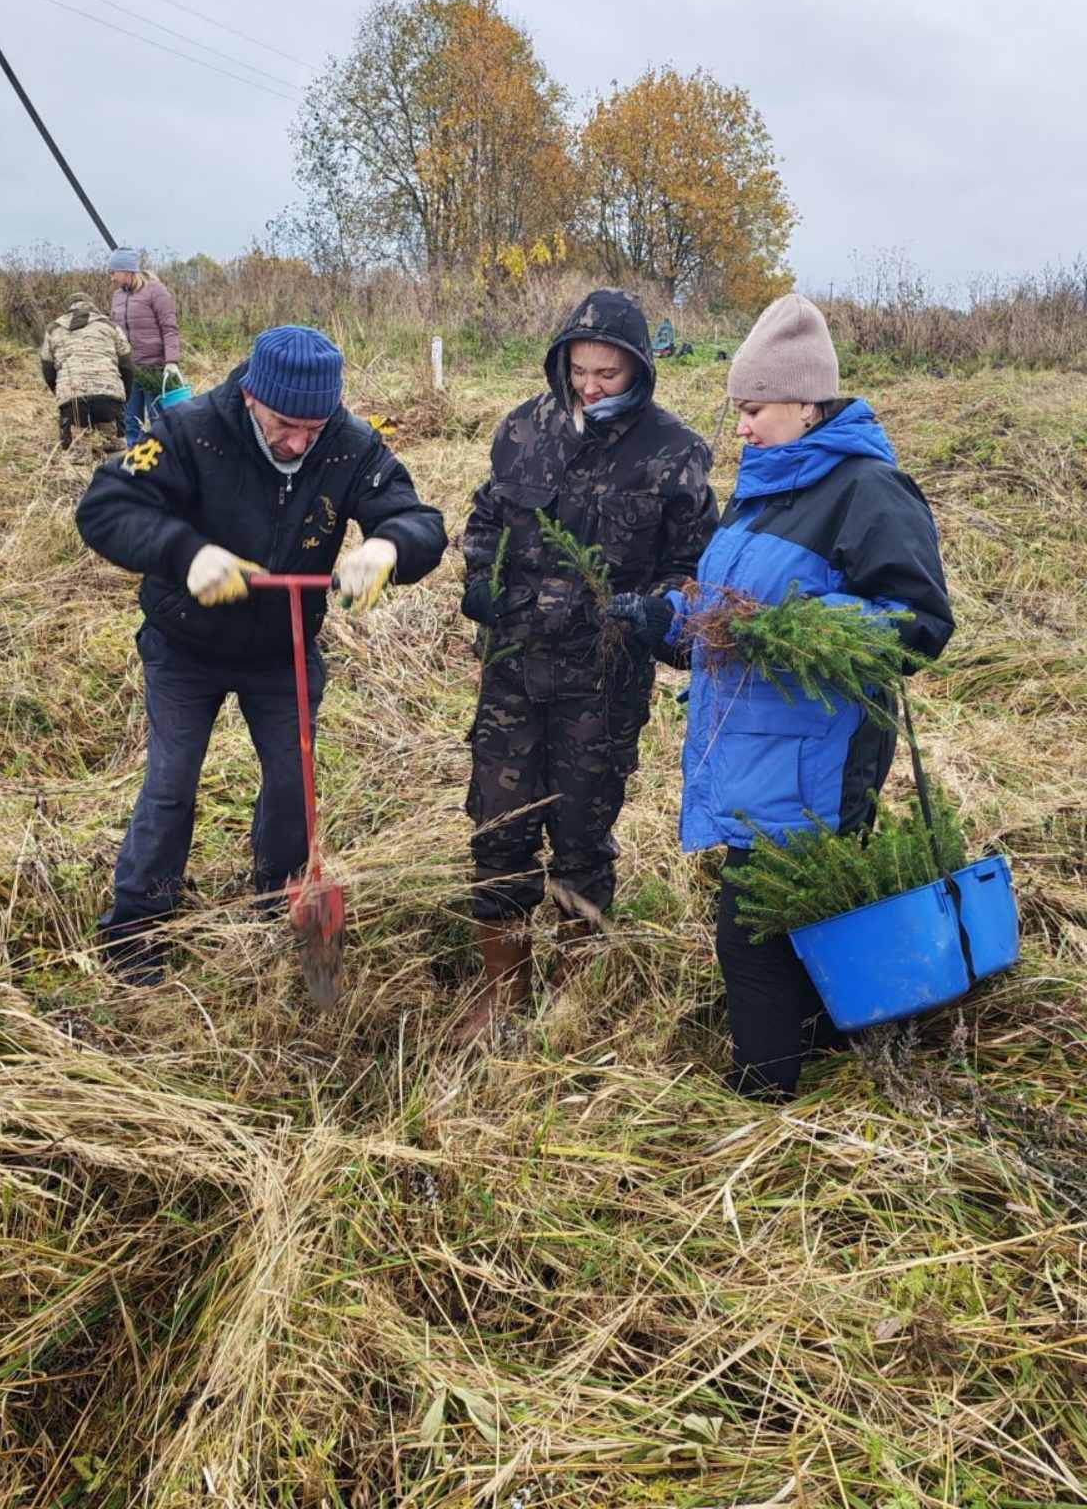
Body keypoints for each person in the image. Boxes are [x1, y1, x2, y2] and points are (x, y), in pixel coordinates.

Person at [608, 293, 955, 1098]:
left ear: (806, 403)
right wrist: (666, 619)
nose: (740, 428)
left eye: (753, 408)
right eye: (738, 410)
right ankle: (822, 1056)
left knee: (752, 936)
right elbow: (732, 609)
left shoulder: (868, 490)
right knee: (785, 929)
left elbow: (918, 622)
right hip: (751, 750)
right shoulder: (769, 485)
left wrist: (786, 629)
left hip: (813, 765)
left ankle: (766, 1106)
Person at [75, 324, 448, 984]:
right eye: (285, 425)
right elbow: (106, 506)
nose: (300, 442)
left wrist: (387, 548)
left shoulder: (351, 445)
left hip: (283, 649)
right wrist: (186, 555)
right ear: (252, 397)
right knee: (171, 784)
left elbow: (419, 520)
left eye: (315, 425)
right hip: (184, 644)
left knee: (291, 784)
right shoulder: (186, 431)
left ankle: (277, 903)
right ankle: (136, 929)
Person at [458, 289, 718, 1041]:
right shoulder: (522, 429)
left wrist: (651, 612)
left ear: (638, 368)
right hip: (512, 670)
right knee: (499, 828)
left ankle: (573, 1001)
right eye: (579, 369)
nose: (590, 386)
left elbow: (694, 567)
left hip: (601, 683)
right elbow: (484, 519)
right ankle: (502, 997)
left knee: (580, 836)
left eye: (607, 372)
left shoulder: (674, 452)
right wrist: (480, 577)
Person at [107, 246, 182, 444]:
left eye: (113, 272)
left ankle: (164, 463)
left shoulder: (155, 291)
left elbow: (169, 328)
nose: (111, 277)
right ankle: (134, 464)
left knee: (158, 421)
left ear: (127, 271)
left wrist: (171, 361)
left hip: (154, 369)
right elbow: (114, 333)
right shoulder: (118, 297)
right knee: (130, 421)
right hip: (129, 370)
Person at [40, 291, 132, 451]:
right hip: (109, 398)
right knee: (115, 451)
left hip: (73, 400)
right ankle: (116, 473)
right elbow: (127, 365)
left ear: (68, 308)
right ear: (92, 305)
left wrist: (61, 393)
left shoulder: (53, 329)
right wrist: (125, 396)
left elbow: (47, 368)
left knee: (77, 454)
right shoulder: (110, 326)